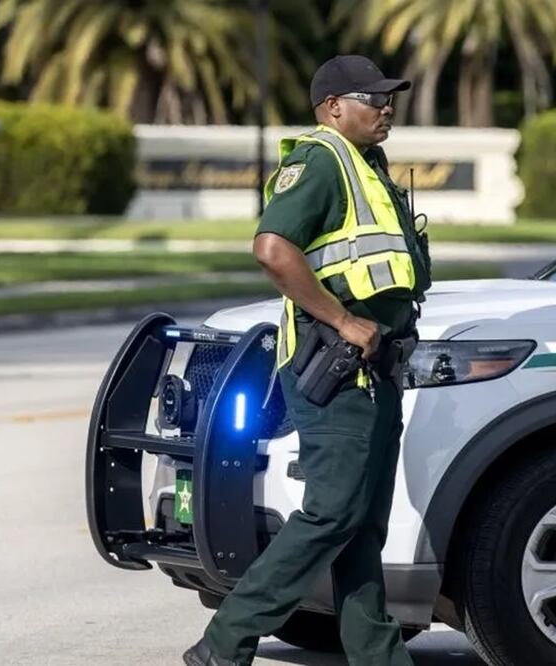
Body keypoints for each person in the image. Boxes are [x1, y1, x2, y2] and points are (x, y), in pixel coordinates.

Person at [183, 55, 431, 666]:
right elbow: (270, 248)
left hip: (377, 369)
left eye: (387, 97)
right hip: (338, 368)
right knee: (332, 514)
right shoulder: (321, 161)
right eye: (372, 98)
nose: (386, 107)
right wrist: (343, 320)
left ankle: (380, 658)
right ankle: (224, 642)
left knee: (362, 524)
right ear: (333, 108)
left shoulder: (367, 166)